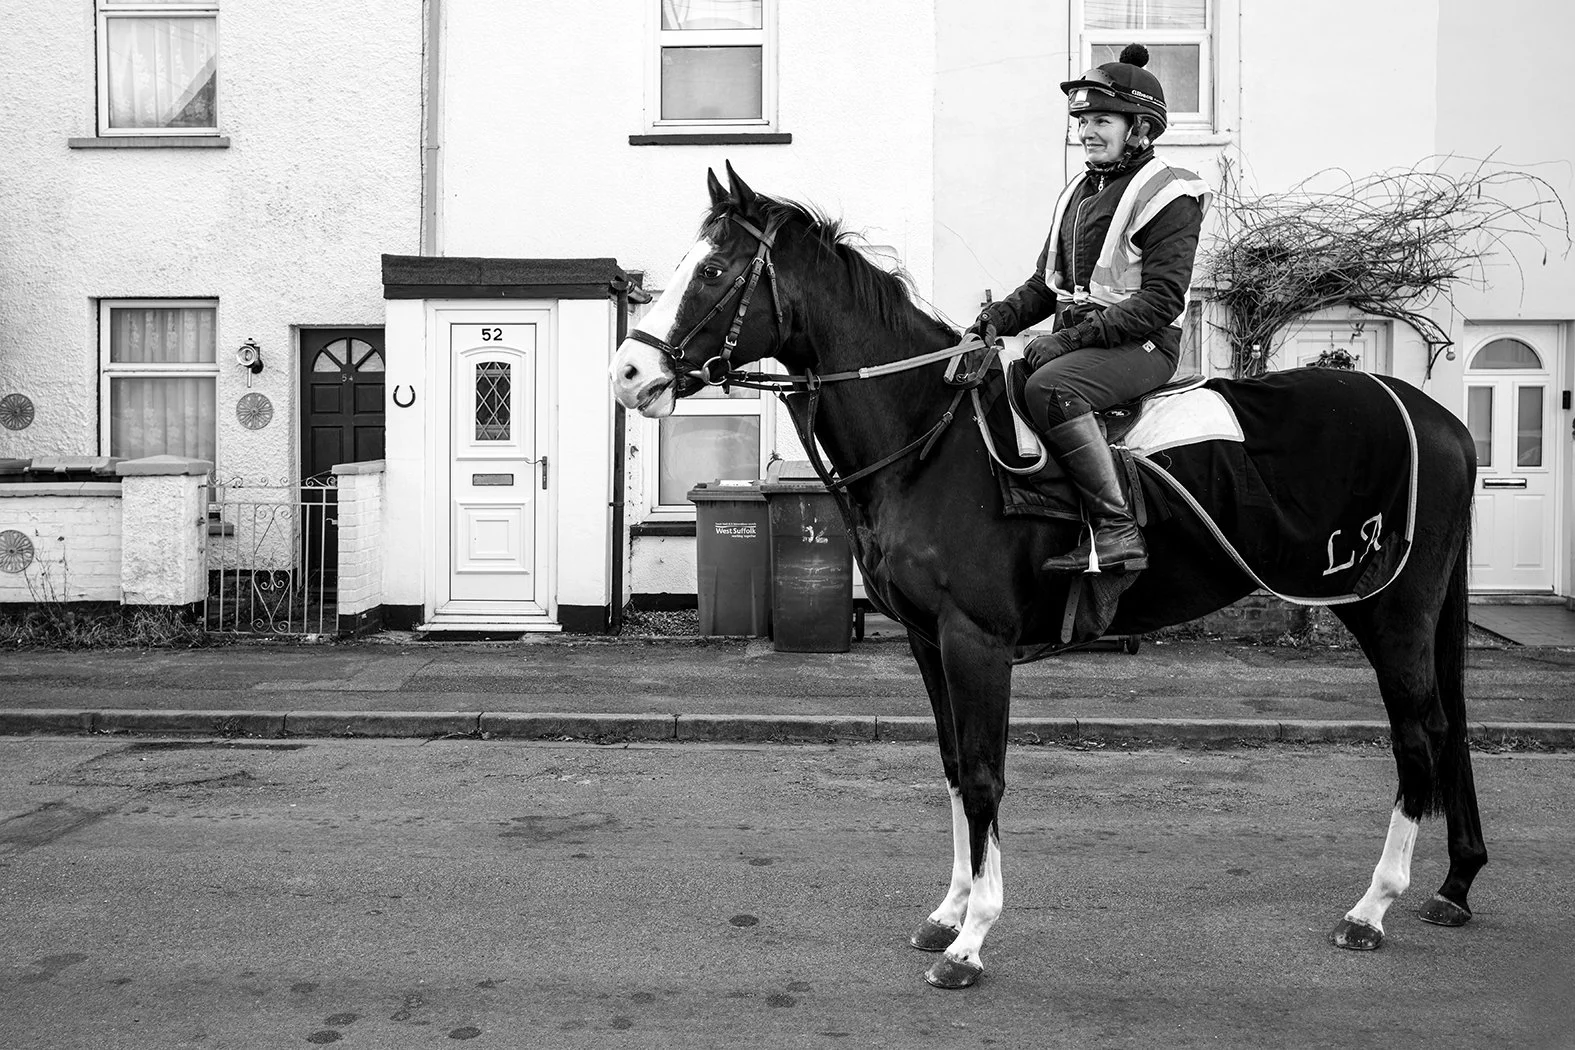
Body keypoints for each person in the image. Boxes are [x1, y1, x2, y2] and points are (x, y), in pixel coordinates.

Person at [968, 44, 1210, 575]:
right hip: (1087, 338)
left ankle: (1118, 531)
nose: (1087, 131)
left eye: (1102, 120)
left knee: (1050, 387)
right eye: (1082, 121)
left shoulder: (1168, 196)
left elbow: (1161, 300)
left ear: (1140, 130)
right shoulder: (1078, 193)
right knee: (1005, 382)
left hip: (1143, 345)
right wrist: (997, 320)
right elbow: (1046, 285)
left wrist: (1068, 341)